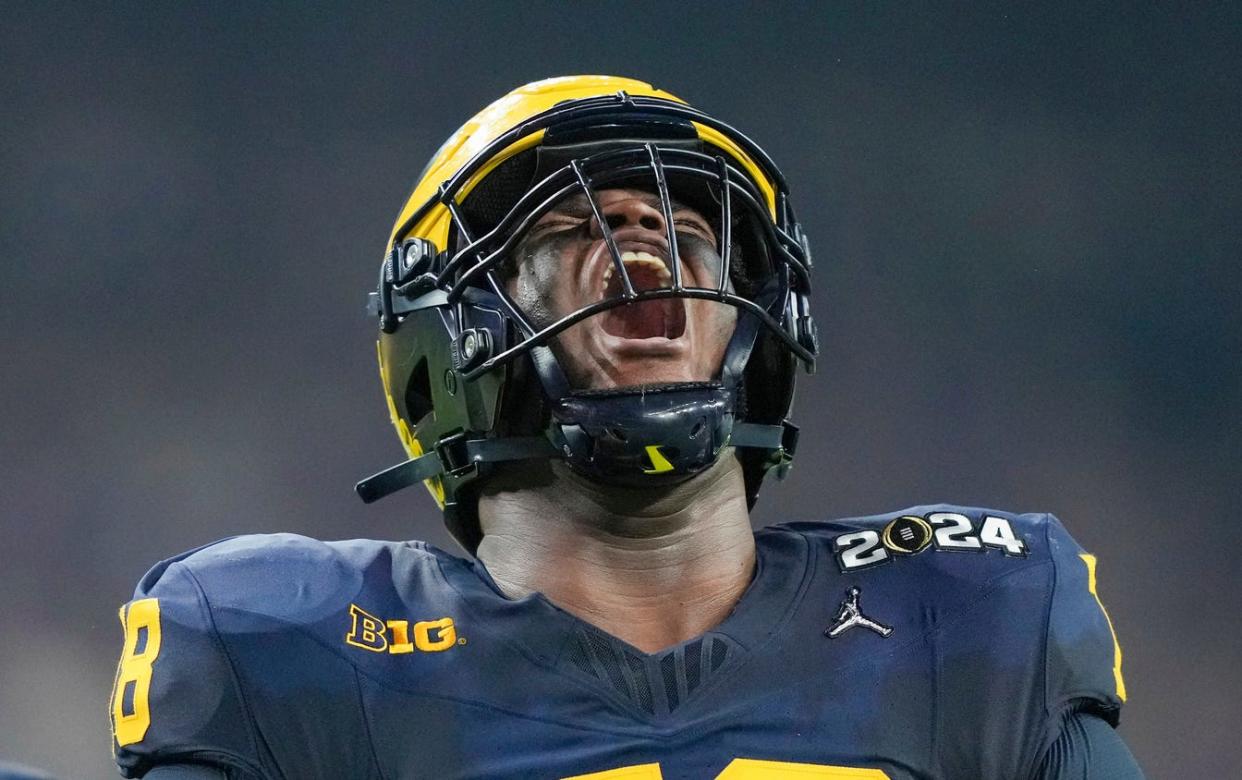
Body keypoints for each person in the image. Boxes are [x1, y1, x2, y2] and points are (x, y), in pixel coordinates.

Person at [109, 76, 1143, 779]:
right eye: (568, 230)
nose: (642, 237)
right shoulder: (291, 650)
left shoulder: (966, 615)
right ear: (447, 342)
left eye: (688, 231)